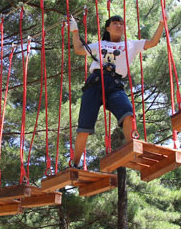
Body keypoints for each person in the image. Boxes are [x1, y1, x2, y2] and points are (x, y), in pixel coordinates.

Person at [69, 14, 165, 167]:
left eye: (121, 23)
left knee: (128, 114)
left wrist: (161, 23)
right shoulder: (100, 44)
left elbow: (153, 42)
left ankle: (133, 149)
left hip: (115, 84)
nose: (119, 26)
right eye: (115, 23)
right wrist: (75, 31)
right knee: (84, 127)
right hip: (95, 83)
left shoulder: (131, 45)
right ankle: (74, 164)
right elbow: (79, 50)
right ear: (108, 27)